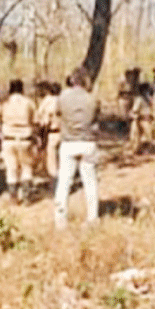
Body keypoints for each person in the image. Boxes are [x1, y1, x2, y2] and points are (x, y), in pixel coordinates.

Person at [54, 67, 101, 230]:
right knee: (90, 182)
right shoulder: (92, 99)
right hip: (88, 142)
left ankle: (60, 219)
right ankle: (92, 218)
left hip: (68, 143)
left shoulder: (62, 97)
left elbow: (58, 113)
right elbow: (96, 118)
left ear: (72, 80)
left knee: (64, 182)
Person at [0, 79, 37, 205]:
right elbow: (36, 120)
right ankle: (27, 197)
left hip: (8, 140)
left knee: (11, 169)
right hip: (25, 139)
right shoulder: (29, 103)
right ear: (22, 89)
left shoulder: (5, 103)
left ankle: (13, 198)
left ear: (10, 89)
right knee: (26, 168)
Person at [36, 81, 61, 194]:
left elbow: (43, 121)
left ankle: (55, 187)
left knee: (52, 162)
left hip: (51, 133)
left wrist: (41, 137)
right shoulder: (63, 100)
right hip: (65, 134)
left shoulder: (47, 101)